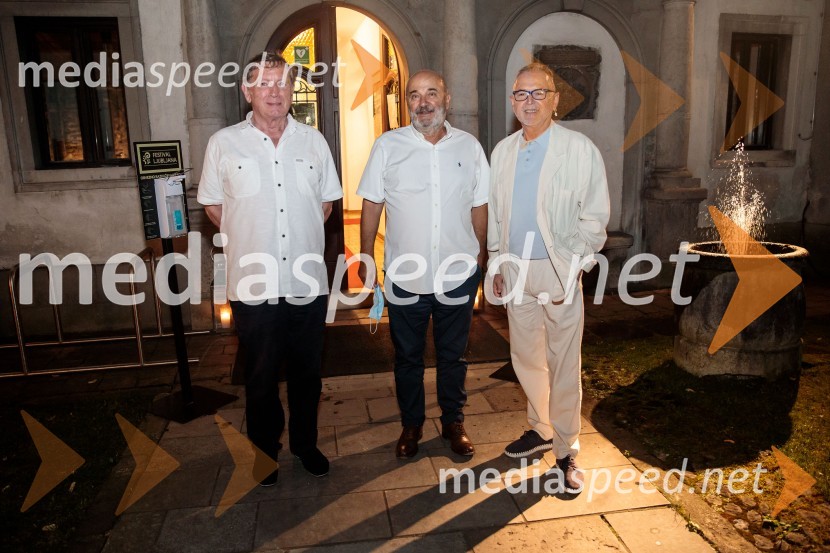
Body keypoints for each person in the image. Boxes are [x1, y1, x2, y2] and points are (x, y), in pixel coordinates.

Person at [197, 52, 342, 486]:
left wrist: (295, 233)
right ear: (247, 91)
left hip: (306, 282)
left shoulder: (313, 140)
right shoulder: (223, 143)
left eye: (282, 83)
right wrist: (250, 234)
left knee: (307, 374)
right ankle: (264, 452)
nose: (275, 92)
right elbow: (212, 205)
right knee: (259, 377)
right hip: (253, 283)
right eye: (264, 84)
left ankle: (305, 444)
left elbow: (327, 202)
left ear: (292, 88)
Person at [487, 62, 610, 493]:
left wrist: (576, 261)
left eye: (538, 93)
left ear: (555, 100)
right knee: (526, 357)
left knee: (563, 361)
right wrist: (497, 262)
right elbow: (498, 216)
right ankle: (540, 428)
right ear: (512, 101)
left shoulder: (578, 150)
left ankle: (566, 448)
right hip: (516, 271)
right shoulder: (502, 152)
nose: (529, 102)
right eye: (521, 94)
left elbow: (595, 217)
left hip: (559, 269)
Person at [357, 70, 489, 459]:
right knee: (407, 359)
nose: (424, 102)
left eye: (432, 93)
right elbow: (371, 203)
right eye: (414, 95)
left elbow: (480, 205)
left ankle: (453, 421)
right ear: (407, 103)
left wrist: (482, 256)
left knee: (454, 356)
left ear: (447, 99)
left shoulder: (470, 147)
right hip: (405, 277)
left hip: (457, 274)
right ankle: (411, 424)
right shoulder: (387, 146)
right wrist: (366, 257)